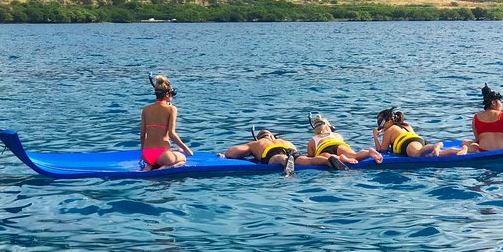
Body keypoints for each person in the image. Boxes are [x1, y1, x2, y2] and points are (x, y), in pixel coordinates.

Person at [220, 128, 353, 175]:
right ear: (273, 136)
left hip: (272, 152)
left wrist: (249, 151)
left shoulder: (256, 143)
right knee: (308, 160)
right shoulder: (284, 140)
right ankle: (328, 160)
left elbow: (232, 152)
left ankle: (286, 162)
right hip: (291, 149)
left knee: (278, 158)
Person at [140, 75, 193, 170]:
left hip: (147, 154)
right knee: (183, 159)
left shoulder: (145, 109)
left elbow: (142, 135)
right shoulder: (172, 109)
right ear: (168, 94)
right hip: (162, 156)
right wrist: (186, 149)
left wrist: (142, 154)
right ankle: (164, 168)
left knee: (166, 155)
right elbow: (172, 134)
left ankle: (150, 166)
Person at [373, 108, 466, 157]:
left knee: (417, 154)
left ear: (389, 120)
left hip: (408, 143)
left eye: (380, 122)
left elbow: (382, 151)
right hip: (419, 141)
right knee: (437, 154)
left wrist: (375, 137)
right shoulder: (406, 125)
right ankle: (459, 150)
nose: (380, 126)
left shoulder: (389, 131)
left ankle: (437, 145)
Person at [306, 113, 383, 164]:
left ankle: (341, 158)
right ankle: (368, 152)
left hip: (324, 149)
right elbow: (340, 142)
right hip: (339, 146)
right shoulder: (336, 135)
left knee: (328, 157)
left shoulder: (313, 140)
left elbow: (311, 157)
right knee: (354, 155)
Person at [466, 84, 503, 152]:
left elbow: (478, 140)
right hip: (501, 150)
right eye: (500, 102)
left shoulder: (476, 117)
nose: (501, 104)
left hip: (483, 151)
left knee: (466, 142)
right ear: (493, 103)